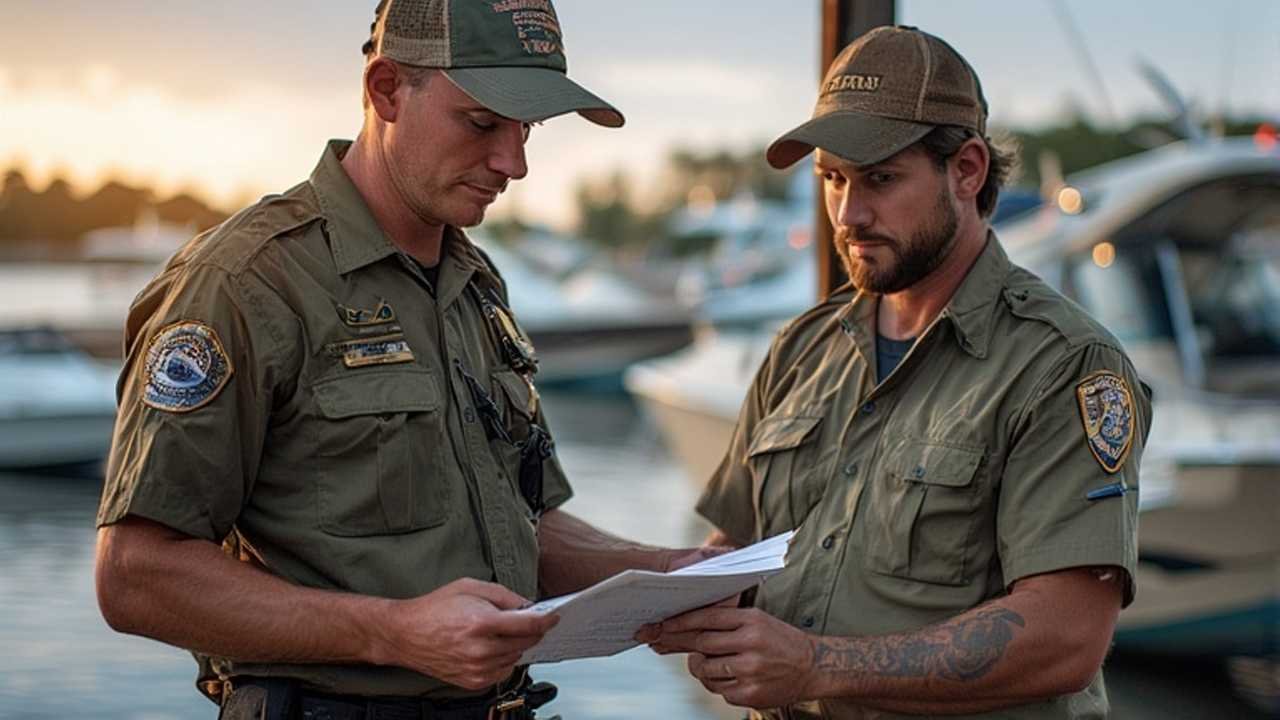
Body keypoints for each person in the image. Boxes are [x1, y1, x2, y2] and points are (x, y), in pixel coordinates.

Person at [94, 2, 709, 718]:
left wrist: (671, 573)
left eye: (527, 129)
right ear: (386, 90)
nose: (515, 163)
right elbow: (135, 575)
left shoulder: (476, 284)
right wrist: (392, 633)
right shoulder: (246, 285)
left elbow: (525, 525)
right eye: (482, 123)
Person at [640, 26, 1151, 720]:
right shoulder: (801, 348)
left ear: (967, 171)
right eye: (833, 179)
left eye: (879, 178)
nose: (849, 215)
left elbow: (1065, 638)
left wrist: (815, 665)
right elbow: (734, 548)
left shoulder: (1063, 365)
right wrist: (683, 598)